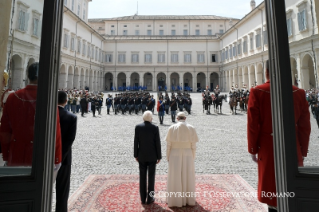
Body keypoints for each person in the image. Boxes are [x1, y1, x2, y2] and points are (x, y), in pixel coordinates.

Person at [247, 60, 311, 212]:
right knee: (291, 183)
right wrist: (303, 149)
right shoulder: (299, 93)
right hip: (292, 144)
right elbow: (305, 127)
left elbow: (252, 125)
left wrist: (252, 148)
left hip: (268, 145)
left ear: (267, 71)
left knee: (271, 184)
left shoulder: (257, 91)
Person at [0, 63, 62, 173]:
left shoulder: (12, 97)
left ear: (28, 76)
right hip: (41, 154)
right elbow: (55, 132)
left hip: (15, 153)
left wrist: (6, 154)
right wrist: (56, 158)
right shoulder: (49, 98)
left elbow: (5, 130)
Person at [165, 112, 199, 207]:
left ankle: (175, 200)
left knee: (174, 175)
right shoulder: (191, 128)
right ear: (185, 118)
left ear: (177, 118)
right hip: (188, 153)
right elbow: (193, 146)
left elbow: (168, 145)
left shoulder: (172, 128)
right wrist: (193, 156)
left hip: (174, 153)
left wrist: (168, 157)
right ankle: (188, 199)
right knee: (188, 175)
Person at [56, 91, 77, 212]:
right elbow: (70, 140)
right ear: (66, 101)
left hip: (45, 156)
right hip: (64, 158)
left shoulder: (46, 113)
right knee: (62, 189)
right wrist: (61, 157)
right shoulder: (71, 117)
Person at [134, 111, 162, 204]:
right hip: (152, 156)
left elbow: (136, 142)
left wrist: (136, 154)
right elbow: (157, 143)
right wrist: (159, 156)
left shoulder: (138, 127)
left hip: (141, 155)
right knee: (151, 177)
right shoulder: (155, 127)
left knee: (142, 177)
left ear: (143, 118)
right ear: (151, 119)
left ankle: (142, 198)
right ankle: (150, 198)